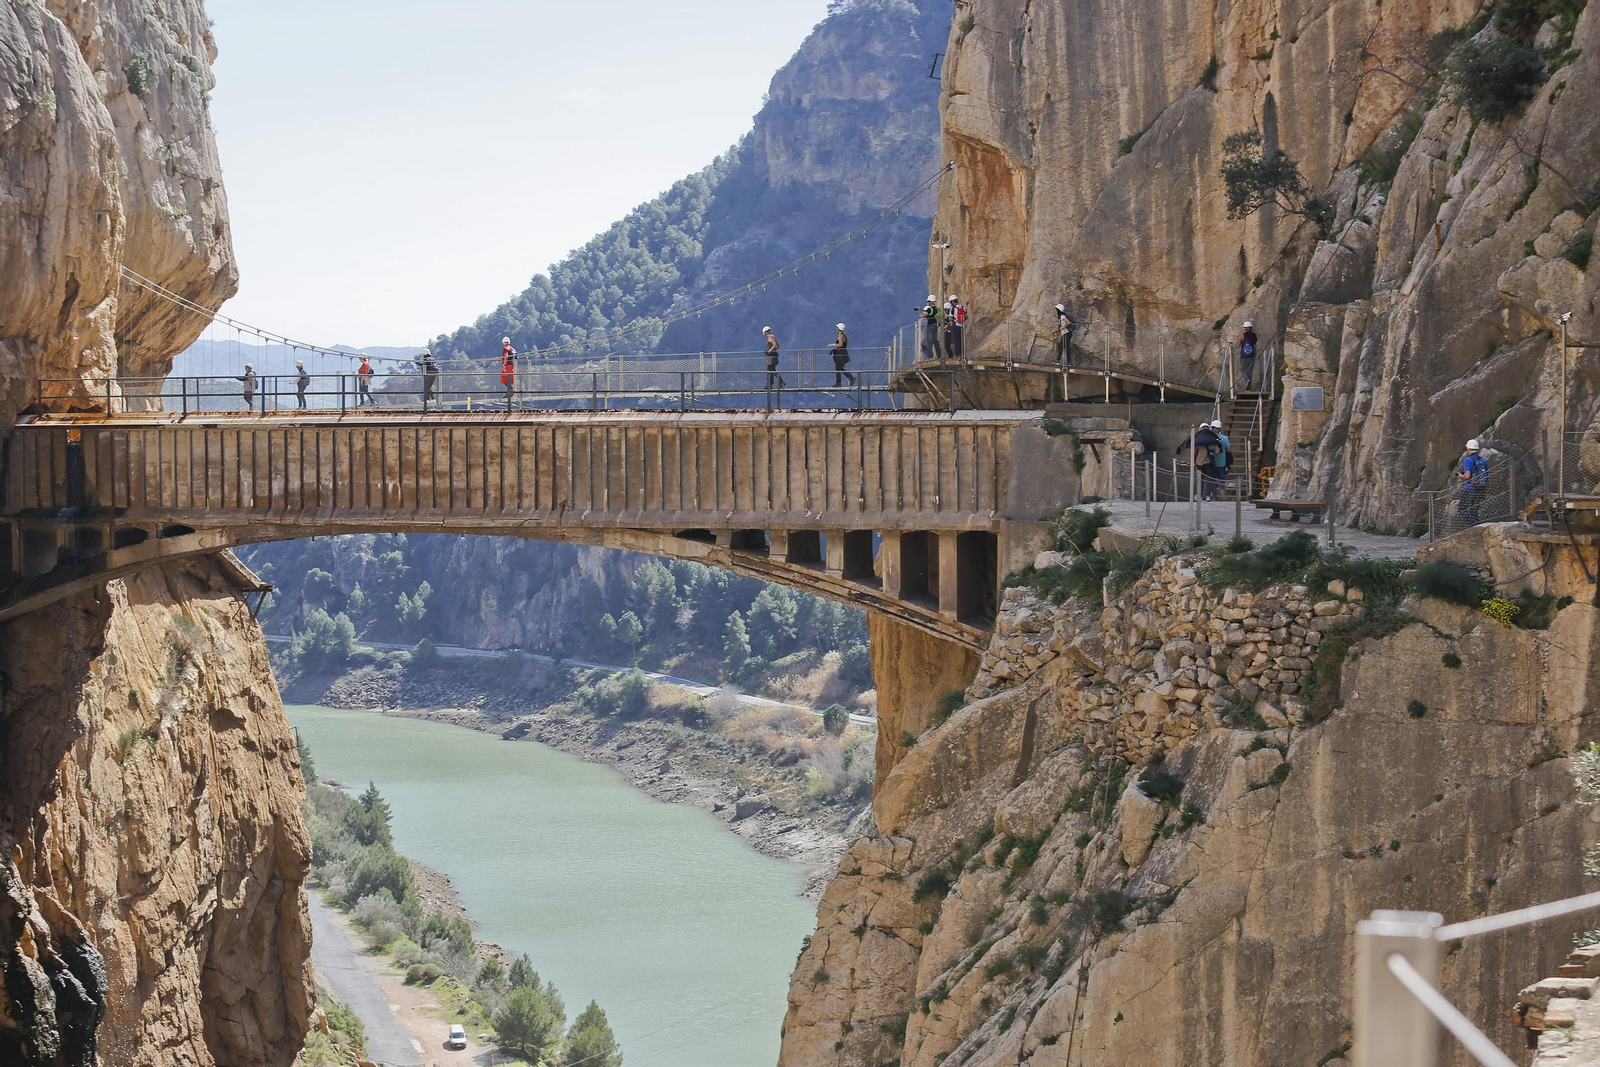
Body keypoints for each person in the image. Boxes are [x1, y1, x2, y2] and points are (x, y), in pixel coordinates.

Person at [1458, 439, 1488, 525]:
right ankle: (1477, 526)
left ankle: (1476, 525)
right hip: (1480, 488)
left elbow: (1467, 476)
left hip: (1470, 488)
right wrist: (1484, 492)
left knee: (1462, 509)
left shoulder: (1468, 460)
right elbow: (1486, 476)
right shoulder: (1483, 461)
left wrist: (1460, 476)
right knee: (1474, 511)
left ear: (1468, 449)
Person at [1210, 419, 1231, 499]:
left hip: (1212, 462)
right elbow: (1229, 449)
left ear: (1212, 428)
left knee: (1213, 479)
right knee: (1222, 478)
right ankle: (1222, 489)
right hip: (1222, 462)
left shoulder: (1210, 438)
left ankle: (1214, 494)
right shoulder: (1225, 438)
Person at [831, 323, 855, 387]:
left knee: (838, 368)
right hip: (842, 353)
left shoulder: (840, 335)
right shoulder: (844, 335)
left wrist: (833, 345)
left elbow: (840, 344)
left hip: (840, 354)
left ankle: (841, 381)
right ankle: (848, 378)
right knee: (840, 368)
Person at [918, 295, 942, 361]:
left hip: (929, 326)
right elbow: (930, 313)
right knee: (935, 341)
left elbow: (923, 315)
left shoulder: (929, 309)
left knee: (929, 342)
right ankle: (939, 355)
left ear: (930, 302)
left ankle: (930, 357)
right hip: (935, 326)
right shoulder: (936, 309)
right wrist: (921, 310)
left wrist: (921, 314)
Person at [763, 326, 786, 392]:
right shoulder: (773, 336)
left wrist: (770, 350)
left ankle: (771, 384)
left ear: (765, 332)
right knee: (772, 370)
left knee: (770, 370)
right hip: (774, 355)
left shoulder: (770, 337)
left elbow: (775, 344)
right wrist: (774, 349)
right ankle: (779, 383)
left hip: (771, 356)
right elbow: (778, 345)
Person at [1239, 321, 1259, 389]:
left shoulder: (1242, 335)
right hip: (1252, 356)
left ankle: (1247, 380)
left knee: (1243, 370)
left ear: (1244, 328)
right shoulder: (1254, 335)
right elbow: (1255, 346)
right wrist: (1255, 355)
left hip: (1243, 356)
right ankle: (1249, 387)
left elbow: (1238, 345)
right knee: (1250, 371)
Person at [500, 336, 516, 409]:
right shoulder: (512, 348)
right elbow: (516, 355)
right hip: (511, 365)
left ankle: (510, 390)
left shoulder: (505, 348)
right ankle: (509, 391)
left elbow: (506, 355)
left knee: (503, 379)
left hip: (507, 365)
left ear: (503, 343)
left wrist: (504, 364)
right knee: (509, 379)